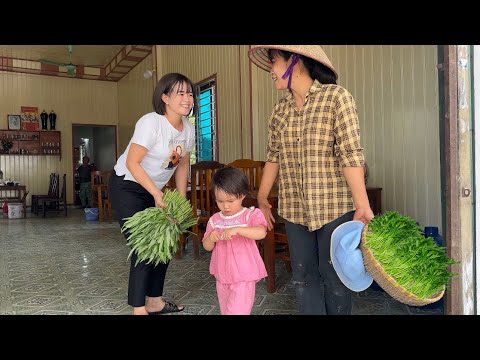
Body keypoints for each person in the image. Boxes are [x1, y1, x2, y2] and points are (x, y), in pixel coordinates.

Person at [248, 45, 374, 315]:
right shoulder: (279, 112)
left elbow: (351, 155)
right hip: (295, 210)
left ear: (295, 61)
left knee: (336, 280)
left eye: (274, 62)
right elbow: (273, 157)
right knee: (304, 279)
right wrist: (261, 196)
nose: (270, 71)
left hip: (334, 209)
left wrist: (362, 205)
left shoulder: (336, 98)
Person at [109, 72, 196, 315]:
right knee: (145, 245)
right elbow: (133, 163)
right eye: (181, 93)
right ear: (165, 97)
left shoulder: (187, 129)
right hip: (127, 185)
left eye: (190, 93)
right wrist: (158, 195)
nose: (188, 98)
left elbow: (182, 164)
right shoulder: (151, 122)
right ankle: (138, 308)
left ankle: (155, 301)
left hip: (154, 190)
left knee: (165, 243)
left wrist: (180, 198)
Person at [202, 166, 268, 315]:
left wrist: (238, 229)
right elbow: (206, 246)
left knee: (237, 312)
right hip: (222, 276)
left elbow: (261, 232)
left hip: (243, 277)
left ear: (242, 195)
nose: (225, 206)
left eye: (230, 201)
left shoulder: (250, 215)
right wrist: (211, 238)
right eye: (220, 201)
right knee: (226, 311)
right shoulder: (215, 220)